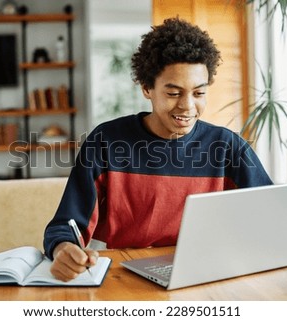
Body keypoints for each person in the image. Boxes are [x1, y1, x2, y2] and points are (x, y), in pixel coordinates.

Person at [44, 17, 273, 281]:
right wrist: (64, 250)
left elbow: (269, 218)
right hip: (122, 275)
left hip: (203, 275)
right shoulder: (106, 141)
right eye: (174, 93)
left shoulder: (228, 147)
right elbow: (65, 226)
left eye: (198, 93)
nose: (187, 106)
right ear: (147, 88)